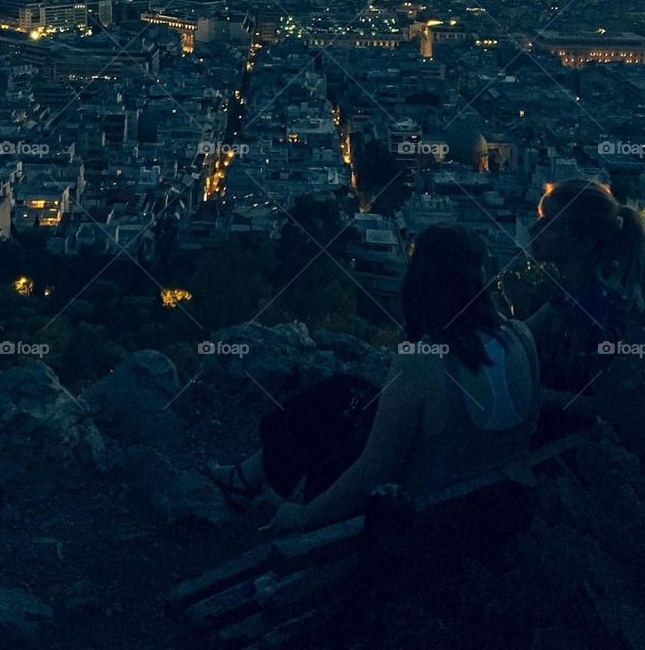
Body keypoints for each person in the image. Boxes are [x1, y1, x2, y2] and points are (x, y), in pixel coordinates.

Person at [207, 225, 540, 533]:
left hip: (423, 522)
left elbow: (374, 472)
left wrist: (303, 518)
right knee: (345, 393)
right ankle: (248, 476)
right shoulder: (522, 336)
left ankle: (247, 480)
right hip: (494, 507)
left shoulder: (422, 362)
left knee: (332, 414)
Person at [525, 178, 645, 419]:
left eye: (550, 225)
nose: (533, 230)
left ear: (585, 242)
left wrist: (531, 395)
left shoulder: (601, 313)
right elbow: (523, 333)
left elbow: (614, 407)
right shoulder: (572, 292)